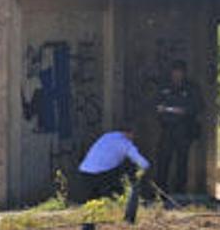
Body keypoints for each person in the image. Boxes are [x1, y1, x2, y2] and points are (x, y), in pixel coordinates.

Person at [155, 60, 203, 194]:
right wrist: (162, 110)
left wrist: (185, 111)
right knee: (163, 160)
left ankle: (179, 192)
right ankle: (161, 192)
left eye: (179, 72)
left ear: (184, 73)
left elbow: (199, 106)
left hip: (184, 130)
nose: (177, 75)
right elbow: (155, 103)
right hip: (167, 129)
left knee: (182, 162)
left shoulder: (191, 88)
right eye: (174, 72)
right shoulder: (164, 87)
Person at [78, 130, 150, 202]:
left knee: (92, 199)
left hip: (85, 170)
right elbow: (140, 161)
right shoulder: (126, 144)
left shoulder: (107, 136)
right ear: (130, 134)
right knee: (113, 194)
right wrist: (148, 168)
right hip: (102, 173)